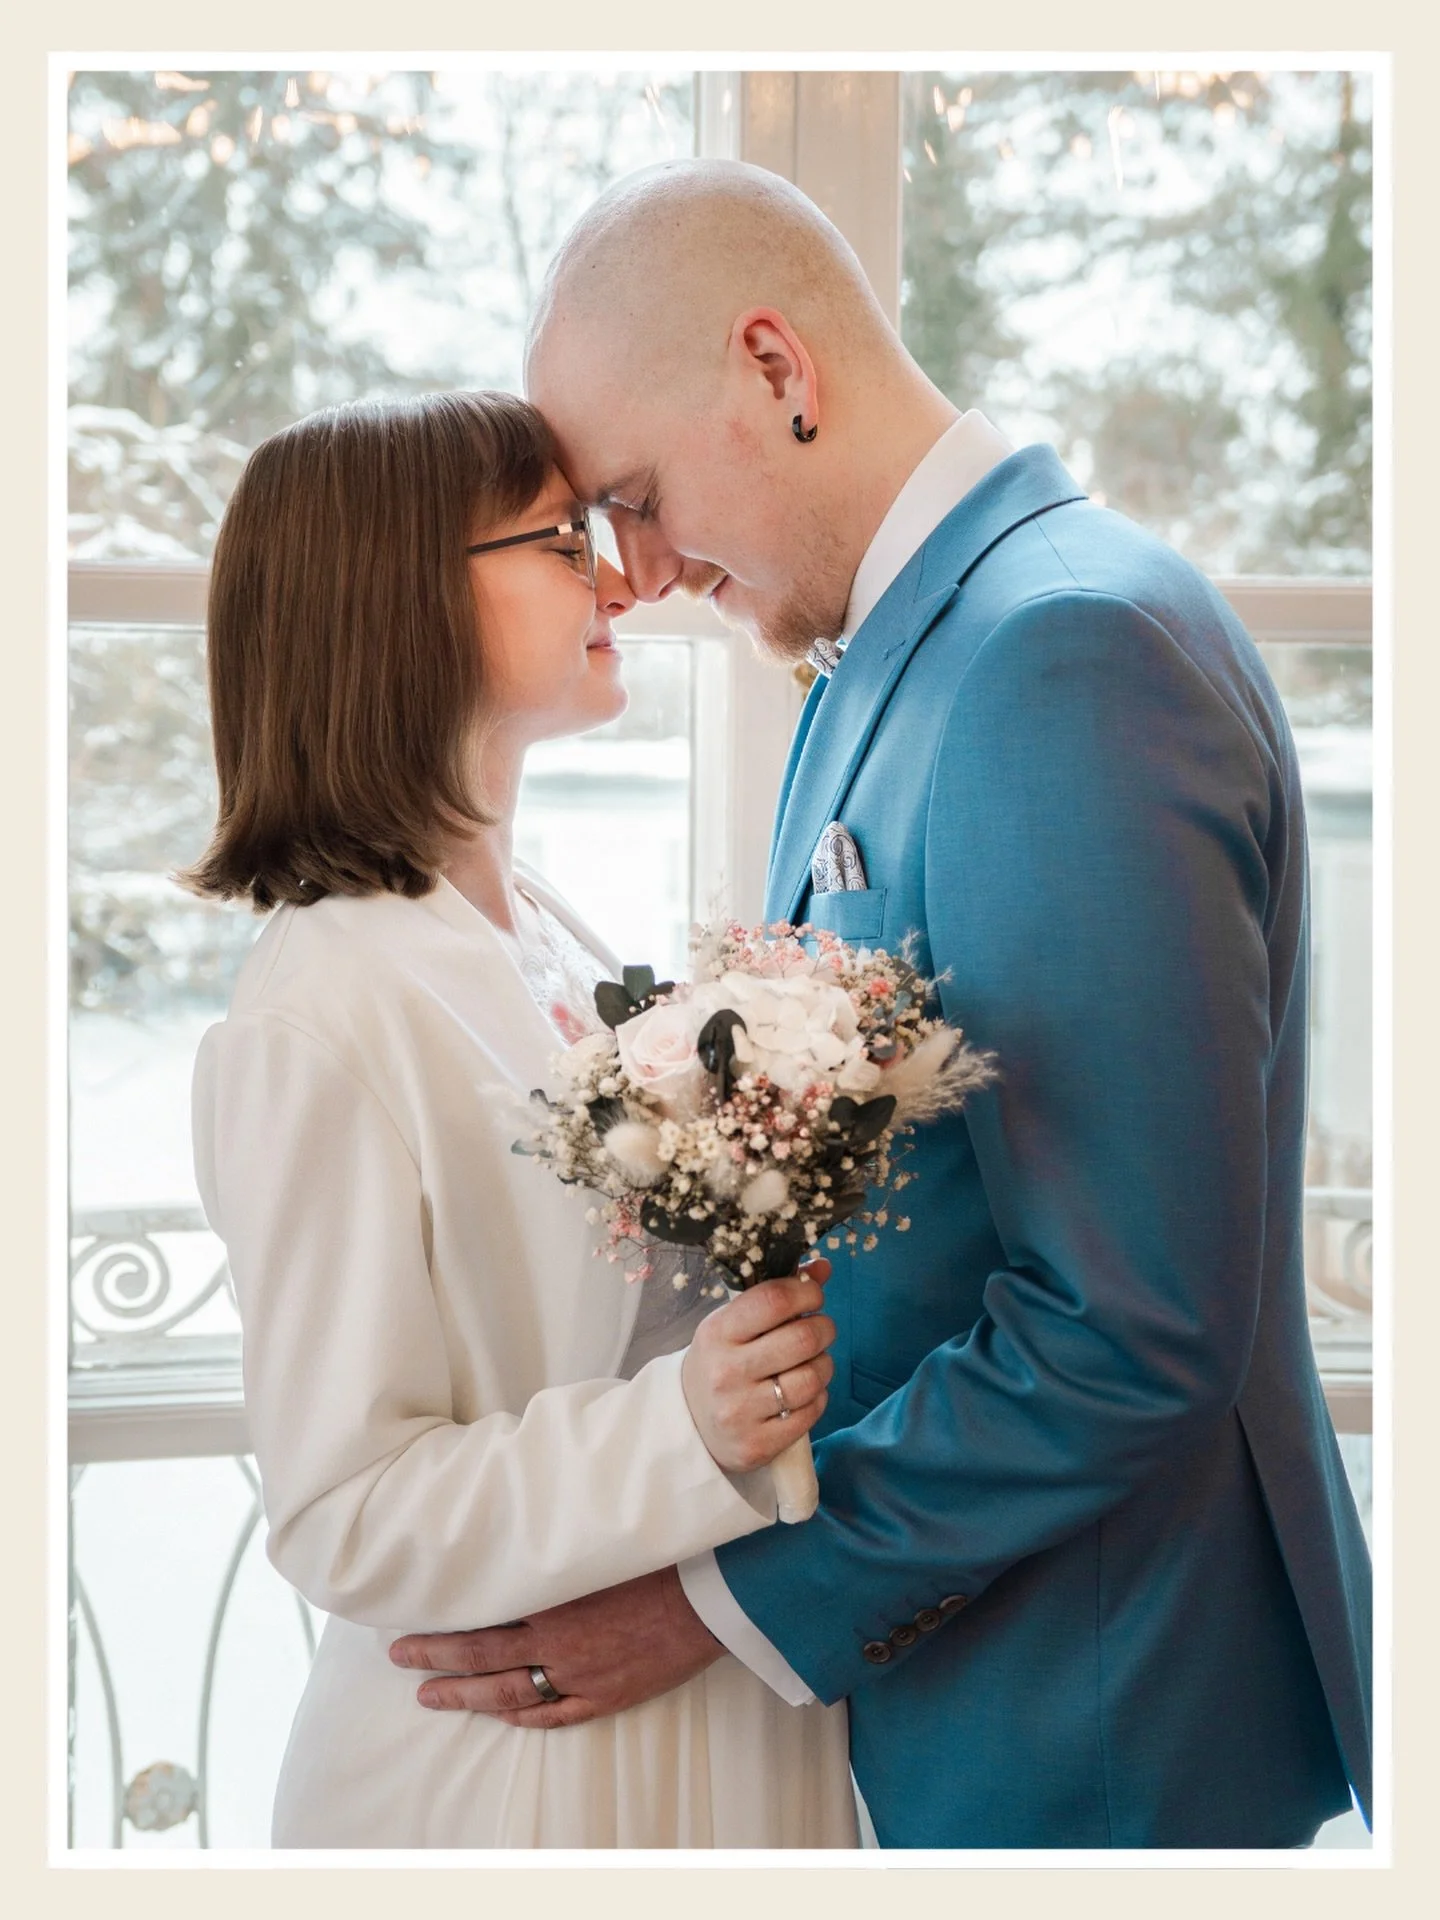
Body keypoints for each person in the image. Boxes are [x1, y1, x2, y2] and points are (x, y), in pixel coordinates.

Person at [388, 161, 1374, 1850]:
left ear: (778, 371)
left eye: (631, 495)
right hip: (971, 1676)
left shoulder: (1062, 654)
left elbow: (1129, 1323)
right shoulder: (899, 651)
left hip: (1092, 1713)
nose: (641, 572)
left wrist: (715, 1608)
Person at [182, 389, 858, 1848]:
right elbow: (344, 1512)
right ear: (401, 600)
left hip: (685, 1727)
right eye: (561, 539)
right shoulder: (316, 1014)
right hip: (502, 1790)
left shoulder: (534, 928)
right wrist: (683, 1425)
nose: (619, 573)